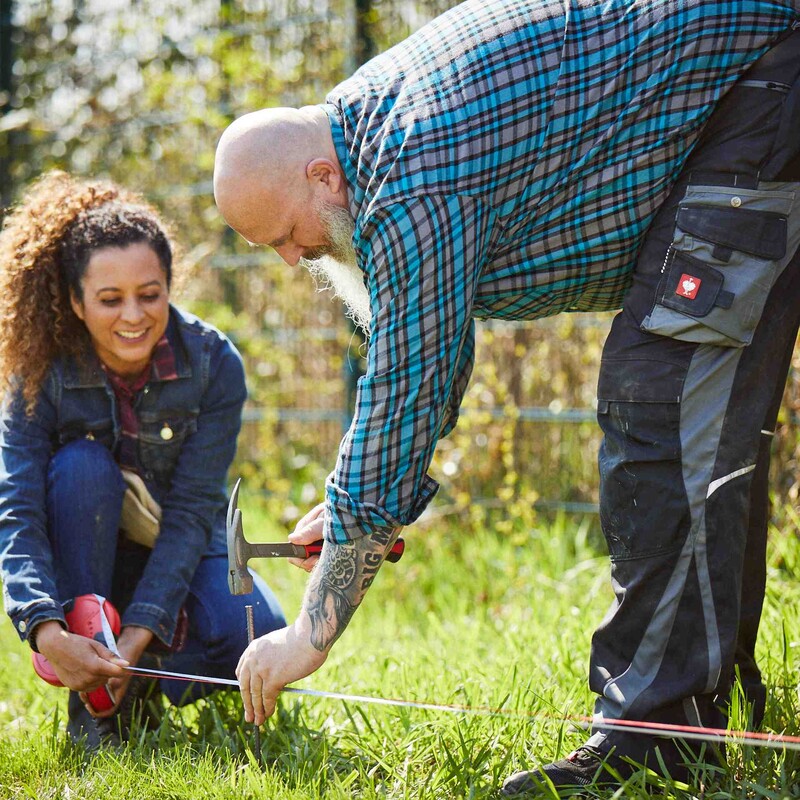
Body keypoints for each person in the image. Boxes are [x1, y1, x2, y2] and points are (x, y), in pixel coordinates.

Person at [212, 0, 800, 792]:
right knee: (693, 401)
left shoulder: (409, 173)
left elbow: (408, 387)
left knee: (661, 397)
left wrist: (309, 635)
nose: (291, 260)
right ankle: (697, 715)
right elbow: (430, 355)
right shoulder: (363, 130)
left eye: (284, 235)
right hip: (752, 87)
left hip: (765, 75)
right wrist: (359, 514)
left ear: (321, 177)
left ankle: (655, 748)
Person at [0, 171, 286, 749]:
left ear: (169, 285)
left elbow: (188, 516)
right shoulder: (40, 373)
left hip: (169, 540)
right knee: (82, 468)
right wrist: (46, 629)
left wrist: (133, 637)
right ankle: (95, 707)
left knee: (256, 636)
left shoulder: (214, 365)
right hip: (82, 548)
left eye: (149, 294)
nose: (133, 316)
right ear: (77, 303)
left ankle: (136, 678)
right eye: (110, 299)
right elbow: (17, 512)